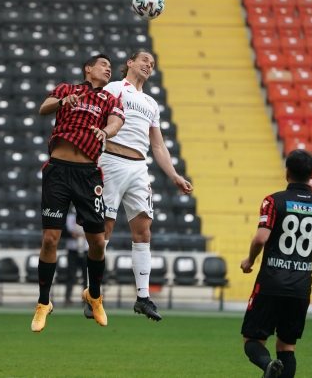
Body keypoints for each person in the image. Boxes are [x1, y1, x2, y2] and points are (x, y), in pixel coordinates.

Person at [31, 54, 125, 332]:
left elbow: (117, 122)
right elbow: (43, 108)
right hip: (58, 171)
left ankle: (93, 295)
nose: (108, 69)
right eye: (103, 65)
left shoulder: (109, 99)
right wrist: (62, 102)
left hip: (88, 175)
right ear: (88, 68)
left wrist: (105, 132)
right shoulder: (67, 89)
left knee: (97, 242)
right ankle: (43, 302)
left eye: (110, 67)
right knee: (50, 240)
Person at [96, 51, 193, 321]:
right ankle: (94, 293)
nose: (148, 65)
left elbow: (158, 145)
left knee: (144, 232)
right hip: (112, 161)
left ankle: (142, 297)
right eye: (144, 61)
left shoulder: (151, 102)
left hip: (139, 167)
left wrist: (174, 176)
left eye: (151, 64)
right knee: (104, 229)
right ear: (129, 63)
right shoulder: (114, 88)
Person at [240, 149, 312, 378]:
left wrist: (250, 260)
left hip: (270, 283)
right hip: (300, 287)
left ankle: (267, 365)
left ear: (287, 173)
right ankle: (275, 367)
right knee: (287, 346)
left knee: (252, 340)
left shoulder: (273, 201)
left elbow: (260, 238)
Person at [64, 210, 88, 307]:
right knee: (70, 275)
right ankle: (67, 298)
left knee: (86, 277)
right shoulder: (68, 217)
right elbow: (62, 231)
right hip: (72, 250)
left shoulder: (88, 215)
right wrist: (71, 234)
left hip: (86, 250)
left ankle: (86, 298)